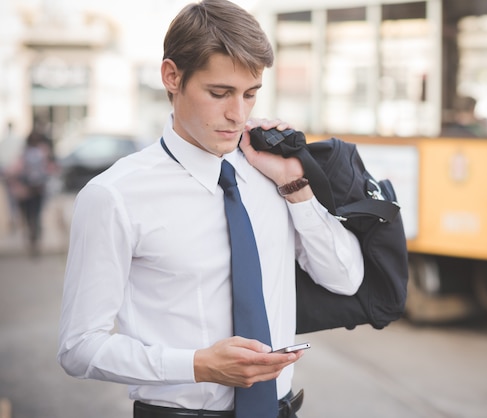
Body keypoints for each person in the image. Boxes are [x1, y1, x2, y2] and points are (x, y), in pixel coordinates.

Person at [57, 1, 364, 418]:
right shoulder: (113, 196)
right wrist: (198, 364)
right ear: (172, 77)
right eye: (219, 93)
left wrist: (296, 187)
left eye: (250, 94)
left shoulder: (271, 175)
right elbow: (79, 347)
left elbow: (345, 279)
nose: (237, 114)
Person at [5, 120, 55, 256]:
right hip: (39, 189)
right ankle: (36, 238)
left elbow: (15, 170)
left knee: (28, 216)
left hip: (26, 191)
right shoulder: (43, 152)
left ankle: (32, 238)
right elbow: (51, 169)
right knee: (37, 215)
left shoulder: (25, 153)